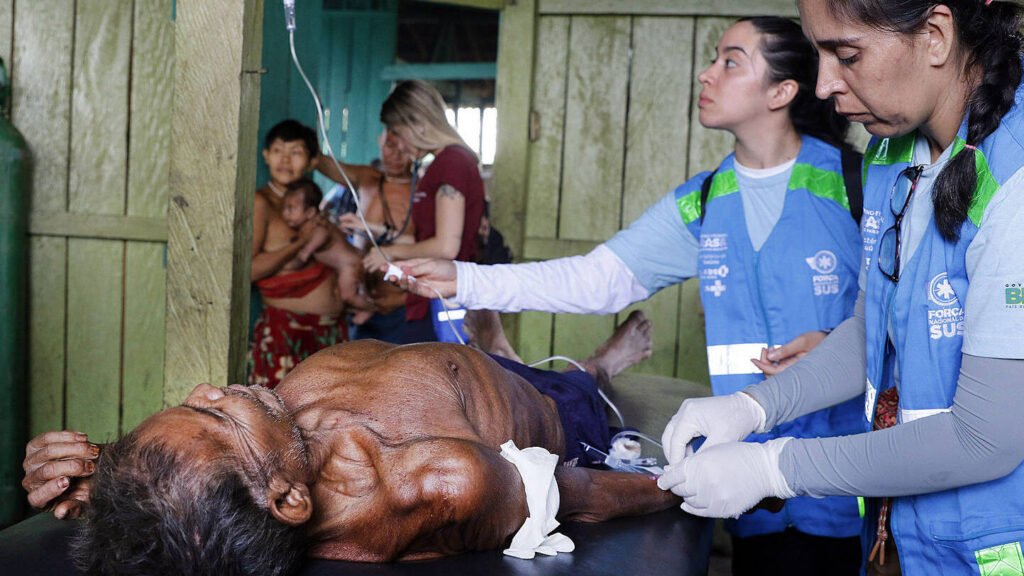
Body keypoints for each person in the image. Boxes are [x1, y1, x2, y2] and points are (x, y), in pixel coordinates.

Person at [389, 17, 866, 574]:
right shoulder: (707, 199)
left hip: (843, 477)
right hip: (746, 486)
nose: (706, 73)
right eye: (713, 58)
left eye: (730, 62)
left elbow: (905, 322)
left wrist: (835, 344)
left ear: (781, 92)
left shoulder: (853, 185)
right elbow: (597, 279)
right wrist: (467, 279)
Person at [654, 2, 1024, 575]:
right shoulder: (890, 153)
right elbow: (872, 331)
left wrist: (774, 468)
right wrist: (754, 407)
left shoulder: (1014, 176)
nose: (824, 84)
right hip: (902, 539)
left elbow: (985, 438)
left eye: (847, 55)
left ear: (935, 35)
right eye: (819, 53)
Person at [22, 315, 677, 575]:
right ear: (288, 500)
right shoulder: (440, 478)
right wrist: (693, 485)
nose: (210, 388)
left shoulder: (246, 472)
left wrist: (111, 477)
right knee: (578, 385)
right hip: (543, 409)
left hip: (442, 366)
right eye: (220, 418)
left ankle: (500, 348)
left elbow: (188, 483)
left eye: (196, 404)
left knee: (498, 358)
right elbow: (577, 493)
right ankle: (599, 366)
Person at [367, 80, 486, 344]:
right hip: (430, 296)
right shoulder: (441, 163)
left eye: (399, 133)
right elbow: (429, 236)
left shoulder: (452, 163)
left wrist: (392, 252)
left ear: (418, 124)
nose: (400, 146)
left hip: (443, 300)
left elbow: (446, 247)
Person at [250, 120, 348, 389]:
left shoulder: (313, 203)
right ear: (266, 155)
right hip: (287, 331)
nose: (285, 160)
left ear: (311, 160)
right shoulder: (262, 202)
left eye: (295, 152)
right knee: (281, 408)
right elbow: (250, 270)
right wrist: (300, 242)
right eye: (278, 151)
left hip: (329, 330)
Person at [317, 130, 417, 342]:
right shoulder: (367, 179)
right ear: (380, 142)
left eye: (406, 149)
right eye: (390, 146)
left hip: (404, 308)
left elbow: (433, 247)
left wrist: (404, 301)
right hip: (362, 301)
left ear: (418, 150)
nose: (397, 155)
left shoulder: (423, 191)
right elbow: (318, 161)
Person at [279, 178, 374, 323]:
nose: (285, 214)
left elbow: (321, 235)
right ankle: (361, 306)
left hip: (350, 265)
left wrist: (305, 252)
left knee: (348, 296)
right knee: (348, 293)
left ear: (310, 212)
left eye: (291, 208)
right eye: (284, 208)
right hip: (349, 263)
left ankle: (371, 308)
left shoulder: (318, 226)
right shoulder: (311, 224)